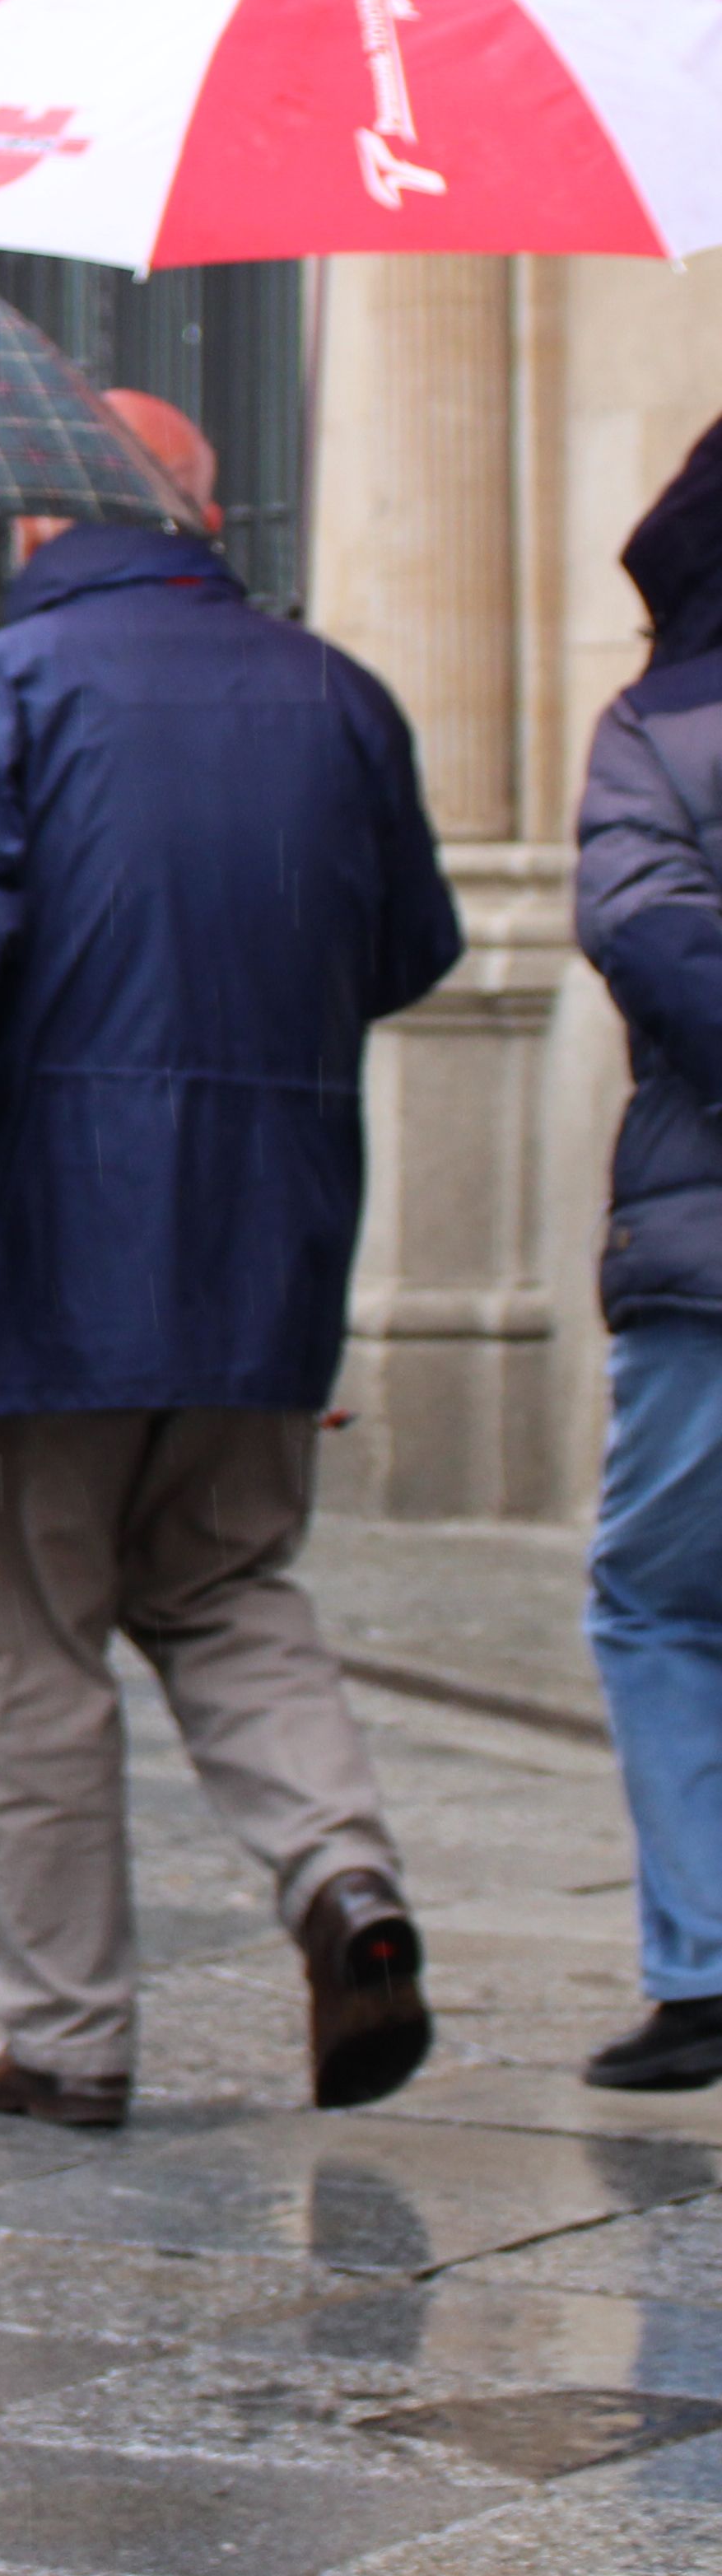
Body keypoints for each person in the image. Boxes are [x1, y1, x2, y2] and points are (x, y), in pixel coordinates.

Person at [0, 394, 463, 2130]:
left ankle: (66, 2035)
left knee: (37, 1642)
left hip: (38, 1248)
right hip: (267, 1240)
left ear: (41, 524)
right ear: (200, 508)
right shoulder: (339, 693)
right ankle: (344, 1881)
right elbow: (413, 939)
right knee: (232, 1584)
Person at [567, 413, 722, 2093]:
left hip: (707, 1252)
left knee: (664, 1599)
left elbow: (639, 924)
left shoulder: (660, 729)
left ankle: (705, 1958)